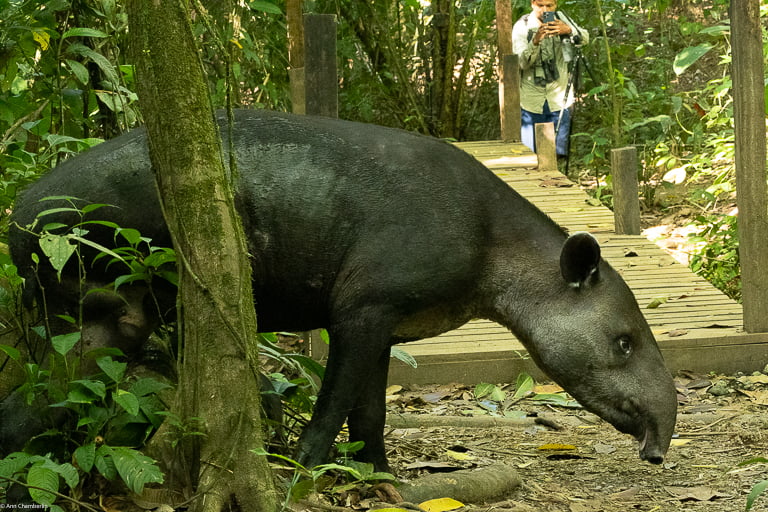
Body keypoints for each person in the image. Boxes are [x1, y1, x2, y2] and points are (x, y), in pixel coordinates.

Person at [512, 0, 588, 161]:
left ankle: (554, 183)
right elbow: (521, 63)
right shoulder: (522, 26)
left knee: (557, 155)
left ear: (556, 5)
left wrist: (568, 30)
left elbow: (585, 37)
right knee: (531, 156)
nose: (545, 10)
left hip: (559, 100)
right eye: (540, 5)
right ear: (532, 4)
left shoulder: (562, 19)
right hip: (532, 101)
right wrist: (535, 41)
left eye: (549, 5)